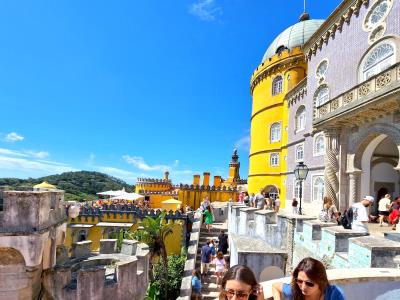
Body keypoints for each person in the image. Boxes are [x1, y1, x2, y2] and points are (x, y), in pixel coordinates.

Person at [272, 257, 345, 300]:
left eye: (309, 283)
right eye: (300, 281)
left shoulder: (334, 294)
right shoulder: (295, 290)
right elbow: (275, 287)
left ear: (320, 281)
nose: (303, 287)